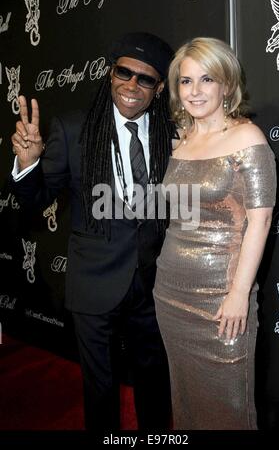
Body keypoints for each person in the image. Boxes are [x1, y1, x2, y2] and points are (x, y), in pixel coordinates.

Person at [10, 32, 175, 433]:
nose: (132, 86)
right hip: (93, 281)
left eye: (145, 79)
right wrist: (27, 166)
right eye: (124, 72)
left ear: (160, 88)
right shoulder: (73, 130)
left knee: (154, 381)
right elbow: (36, 202)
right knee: (99, 386)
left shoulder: (172, 134)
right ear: (109, 72)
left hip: (152, 283)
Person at [153, 37, 277, 430]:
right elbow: (180, 216)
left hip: (221, 297)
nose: (195, 91)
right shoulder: (181, 140)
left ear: (226, 84)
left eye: (206, 79)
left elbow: (260, 220)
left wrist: (240, 293)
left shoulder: (247, 138)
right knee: (185, 396)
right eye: (185, 81)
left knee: (229, 405)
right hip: (170, 291)